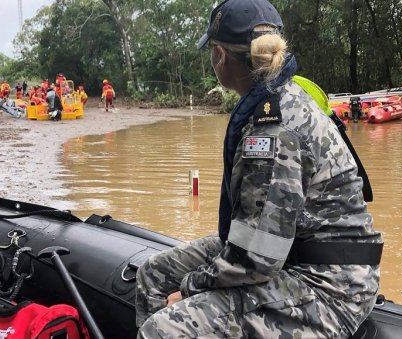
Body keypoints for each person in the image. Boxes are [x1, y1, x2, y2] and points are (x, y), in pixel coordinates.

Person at [135, 0, 384, 338]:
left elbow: (256, 259)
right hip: (290, 252)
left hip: (331, 283)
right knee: (152, 273)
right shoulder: (276, 97)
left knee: (162, 330)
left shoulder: (273, 128)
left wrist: (190, 289)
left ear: (220, 55)